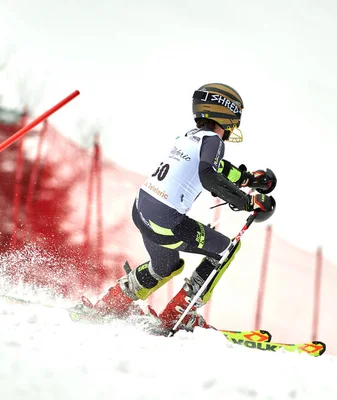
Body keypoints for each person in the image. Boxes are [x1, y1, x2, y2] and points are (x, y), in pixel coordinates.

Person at [81, 83, 276, 332]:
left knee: (165, 266)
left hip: (141, 209)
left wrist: (250, 181)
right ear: (226, 114)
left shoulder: (189, 137)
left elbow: (217, 168)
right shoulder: (214, 140)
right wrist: (248, 202)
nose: (234, 126)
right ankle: (179, 314)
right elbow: (208, 175)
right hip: (165, 221)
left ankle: (112, 303)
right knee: (225, 249)